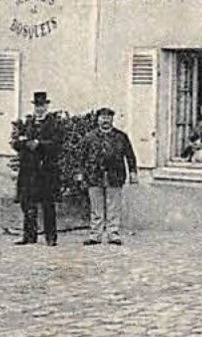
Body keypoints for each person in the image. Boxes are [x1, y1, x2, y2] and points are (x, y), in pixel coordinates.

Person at [77, 107, 138, 246]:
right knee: (96, 207)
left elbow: (130, 155)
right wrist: (80, 173)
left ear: (112, 119)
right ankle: (95, 235)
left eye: (108, 117)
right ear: (97, 120)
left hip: (114, 175)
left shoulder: (121, 137)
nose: (105, 120)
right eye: (102, 117)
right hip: (94, 175)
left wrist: (133, 172)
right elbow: (82, 156)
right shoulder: (89, 137)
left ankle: (113, 234)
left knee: (113, 206)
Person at [13, 90, 63, 246]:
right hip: (28, 169)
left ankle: (51, 237)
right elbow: (16, 142)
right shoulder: (28, 123)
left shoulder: (53, 123)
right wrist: (23, 143)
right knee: (27, 202)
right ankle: (29, 235)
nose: (39, 109)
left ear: (47, 106)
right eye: (37, 106)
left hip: (46, 169)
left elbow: (57, 144)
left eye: (42, 106)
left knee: (48, 203)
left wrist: (39, 144)